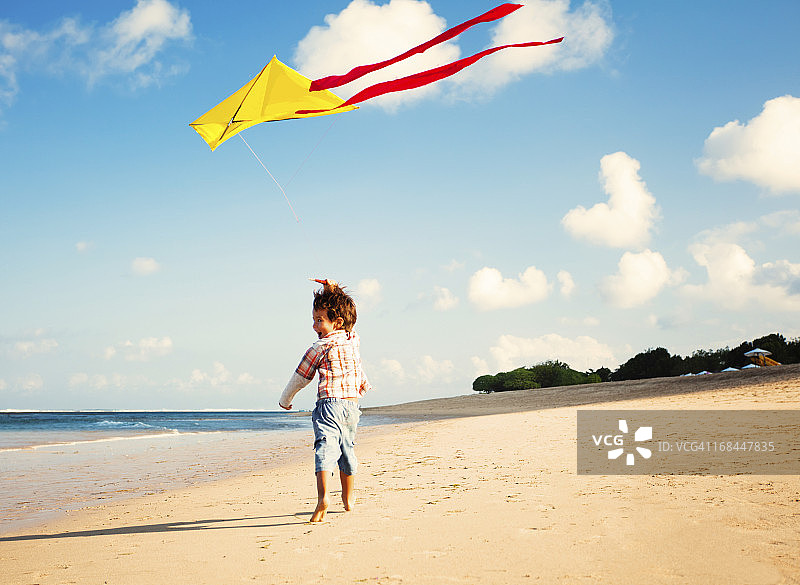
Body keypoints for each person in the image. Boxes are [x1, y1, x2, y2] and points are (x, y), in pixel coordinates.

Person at [279, 279, 372, 522]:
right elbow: (349, 311)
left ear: (337, 322)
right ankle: (348, 499)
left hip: (329, 405)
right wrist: (334, 291)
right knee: (346, 451)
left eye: (319, 320)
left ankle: (323, 499)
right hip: (352, 407)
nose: (314, 325)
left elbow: (301, 376)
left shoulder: (320, 347)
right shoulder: (353, 340)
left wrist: (285, 399)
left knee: (324, 448)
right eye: (314, 319)